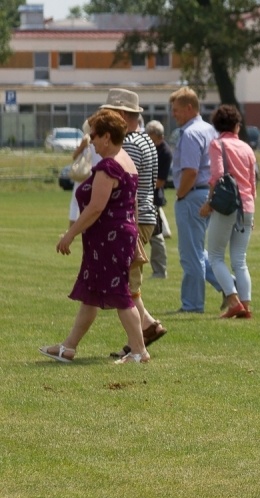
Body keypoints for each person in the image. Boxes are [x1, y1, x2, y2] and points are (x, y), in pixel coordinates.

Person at [39, 109, 149, 364]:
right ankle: (68, 348)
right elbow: (128, 206)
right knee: (90, 293)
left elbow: (96, 207)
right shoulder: (126, 161)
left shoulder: (108, 166)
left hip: (110, 239)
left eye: (95, 137)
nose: (92, 142)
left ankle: (139, 351)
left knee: (120, 294)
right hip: (113, 238)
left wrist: (70, 234)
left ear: (107, 137)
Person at [100, 89, 168, 359]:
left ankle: (139, 342)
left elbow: (128, 187)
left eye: (111, 112)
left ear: (123, 115)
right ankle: (147, 328)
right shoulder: (147, 141)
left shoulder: (128, 144)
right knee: (130, 282)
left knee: (126, 286)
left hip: (134, 217)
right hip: (148, 215)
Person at [200, 104, 258, 319]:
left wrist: (209, 202)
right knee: (240, 259)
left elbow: (217, 176)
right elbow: (252, 183)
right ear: (235, 125)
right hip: (247, 205)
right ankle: (246, 304)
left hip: (226, 205)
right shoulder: (247, 148)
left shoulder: (217, 144)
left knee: (215, 255)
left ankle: (233, 301)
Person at [169, 86, 223, 313]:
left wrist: (181, 194)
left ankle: (192, 304)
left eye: (177, 110)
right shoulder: (210, 130)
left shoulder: (190, 134)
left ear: (189, 108)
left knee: (190, 255)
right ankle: (232, 287)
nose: (174, 115)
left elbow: (190, 171)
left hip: (191, 194)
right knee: (199, 252)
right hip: (207, 193)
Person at [146, 119, 172, 279]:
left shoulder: (165, 152)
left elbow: (160, 181)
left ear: (155, 135)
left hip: (153, 198)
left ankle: (160, 271)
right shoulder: (150, 148)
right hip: (145, 196)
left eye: (149, 135)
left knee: (156, 236)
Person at [69, 120, 100, 226]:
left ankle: (71, 227)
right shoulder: (101, 140)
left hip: (85, 173)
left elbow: (74, 155)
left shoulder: (86, 139)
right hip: (97, 174)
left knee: (75, 201)